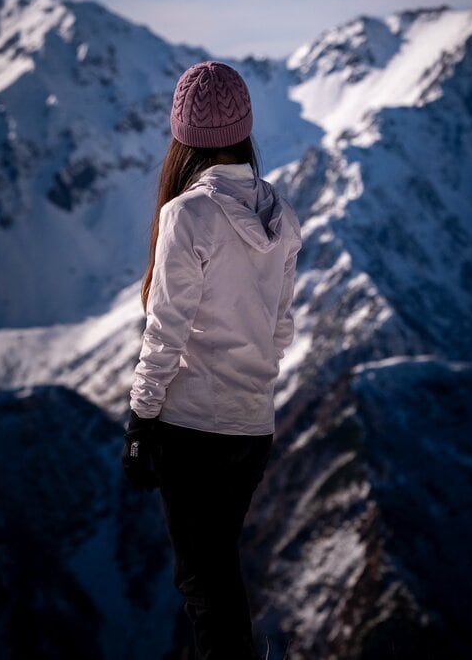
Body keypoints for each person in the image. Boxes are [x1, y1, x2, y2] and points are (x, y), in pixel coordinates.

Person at [122, 60, 301, 660]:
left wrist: (142, 418)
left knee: (203, 587)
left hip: (192, 427)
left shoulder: (185, 215)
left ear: (183, 140)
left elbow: (165, 329)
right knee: (218, 575)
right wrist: (252, 385)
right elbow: (280, 331)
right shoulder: (280, 215)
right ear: (245, 133)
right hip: (253, 429)